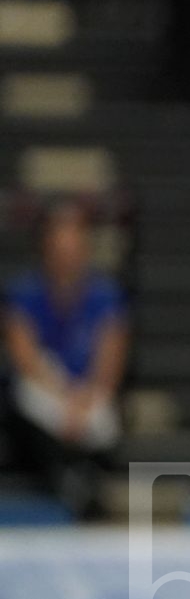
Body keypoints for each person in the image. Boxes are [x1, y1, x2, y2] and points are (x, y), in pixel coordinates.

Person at [3, 202, 130, 517]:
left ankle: (88, 476)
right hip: (48, 388)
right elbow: (25, 356)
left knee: (102, 421)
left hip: (87, 392)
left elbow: (110, 357)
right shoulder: (24, 292)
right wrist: (64, 397)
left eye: (73, 246)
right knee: (32, 402)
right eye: (59, 246)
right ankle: (62, 477)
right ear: (46, 248)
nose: (66, 254)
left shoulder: (105, 294)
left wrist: (86, 398)